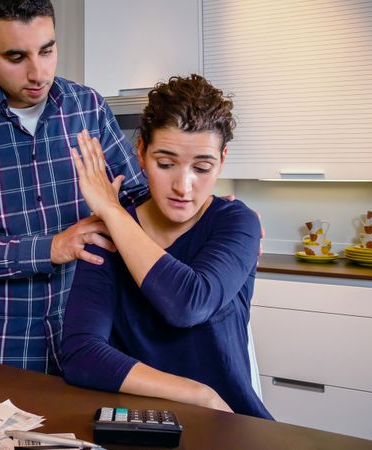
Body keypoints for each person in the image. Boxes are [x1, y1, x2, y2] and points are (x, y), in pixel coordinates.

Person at [0, 0, 148, 374]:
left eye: (47, 50)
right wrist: (51, 248)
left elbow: (139, 200)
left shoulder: (87, 106)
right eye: (15, 56)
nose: (38, 72)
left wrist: (208, 218)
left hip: (85, 342)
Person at [59, 75, 273, 419]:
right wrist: (196, 393)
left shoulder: (236, 223)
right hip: (142, 424)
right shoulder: (108, 232)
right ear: (141, 153)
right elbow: (80, 353)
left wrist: (113, 213)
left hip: (231, 422)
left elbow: (188, 303)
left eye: (202, 167)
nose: (183, 186)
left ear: (222, 160)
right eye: (166, 163)